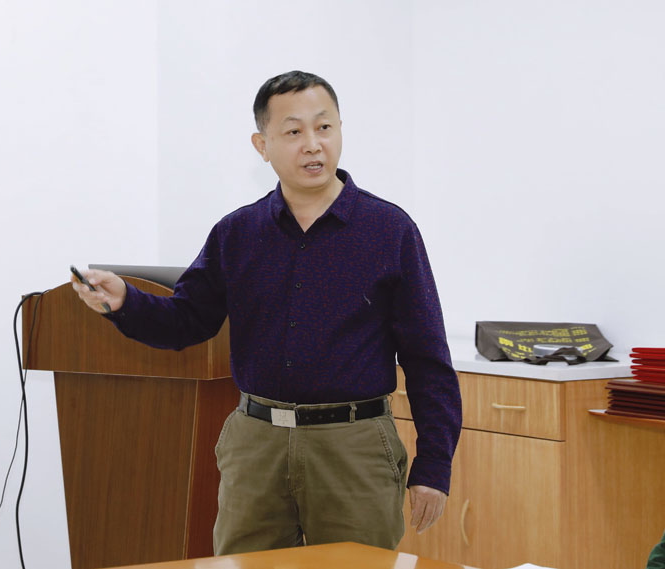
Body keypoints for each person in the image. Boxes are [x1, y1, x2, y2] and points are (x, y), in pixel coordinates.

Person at [72, 70, 462, 555]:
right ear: (262, 145)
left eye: (324, 127)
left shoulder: (389, 230)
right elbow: (187, 321)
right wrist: (126, 302)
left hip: (354, 446)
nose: (313, 144)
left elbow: (428, 358)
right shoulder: (237, 233)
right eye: (294, 131)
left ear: (341, 131)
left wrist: (434, 466)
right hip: (256, 444)